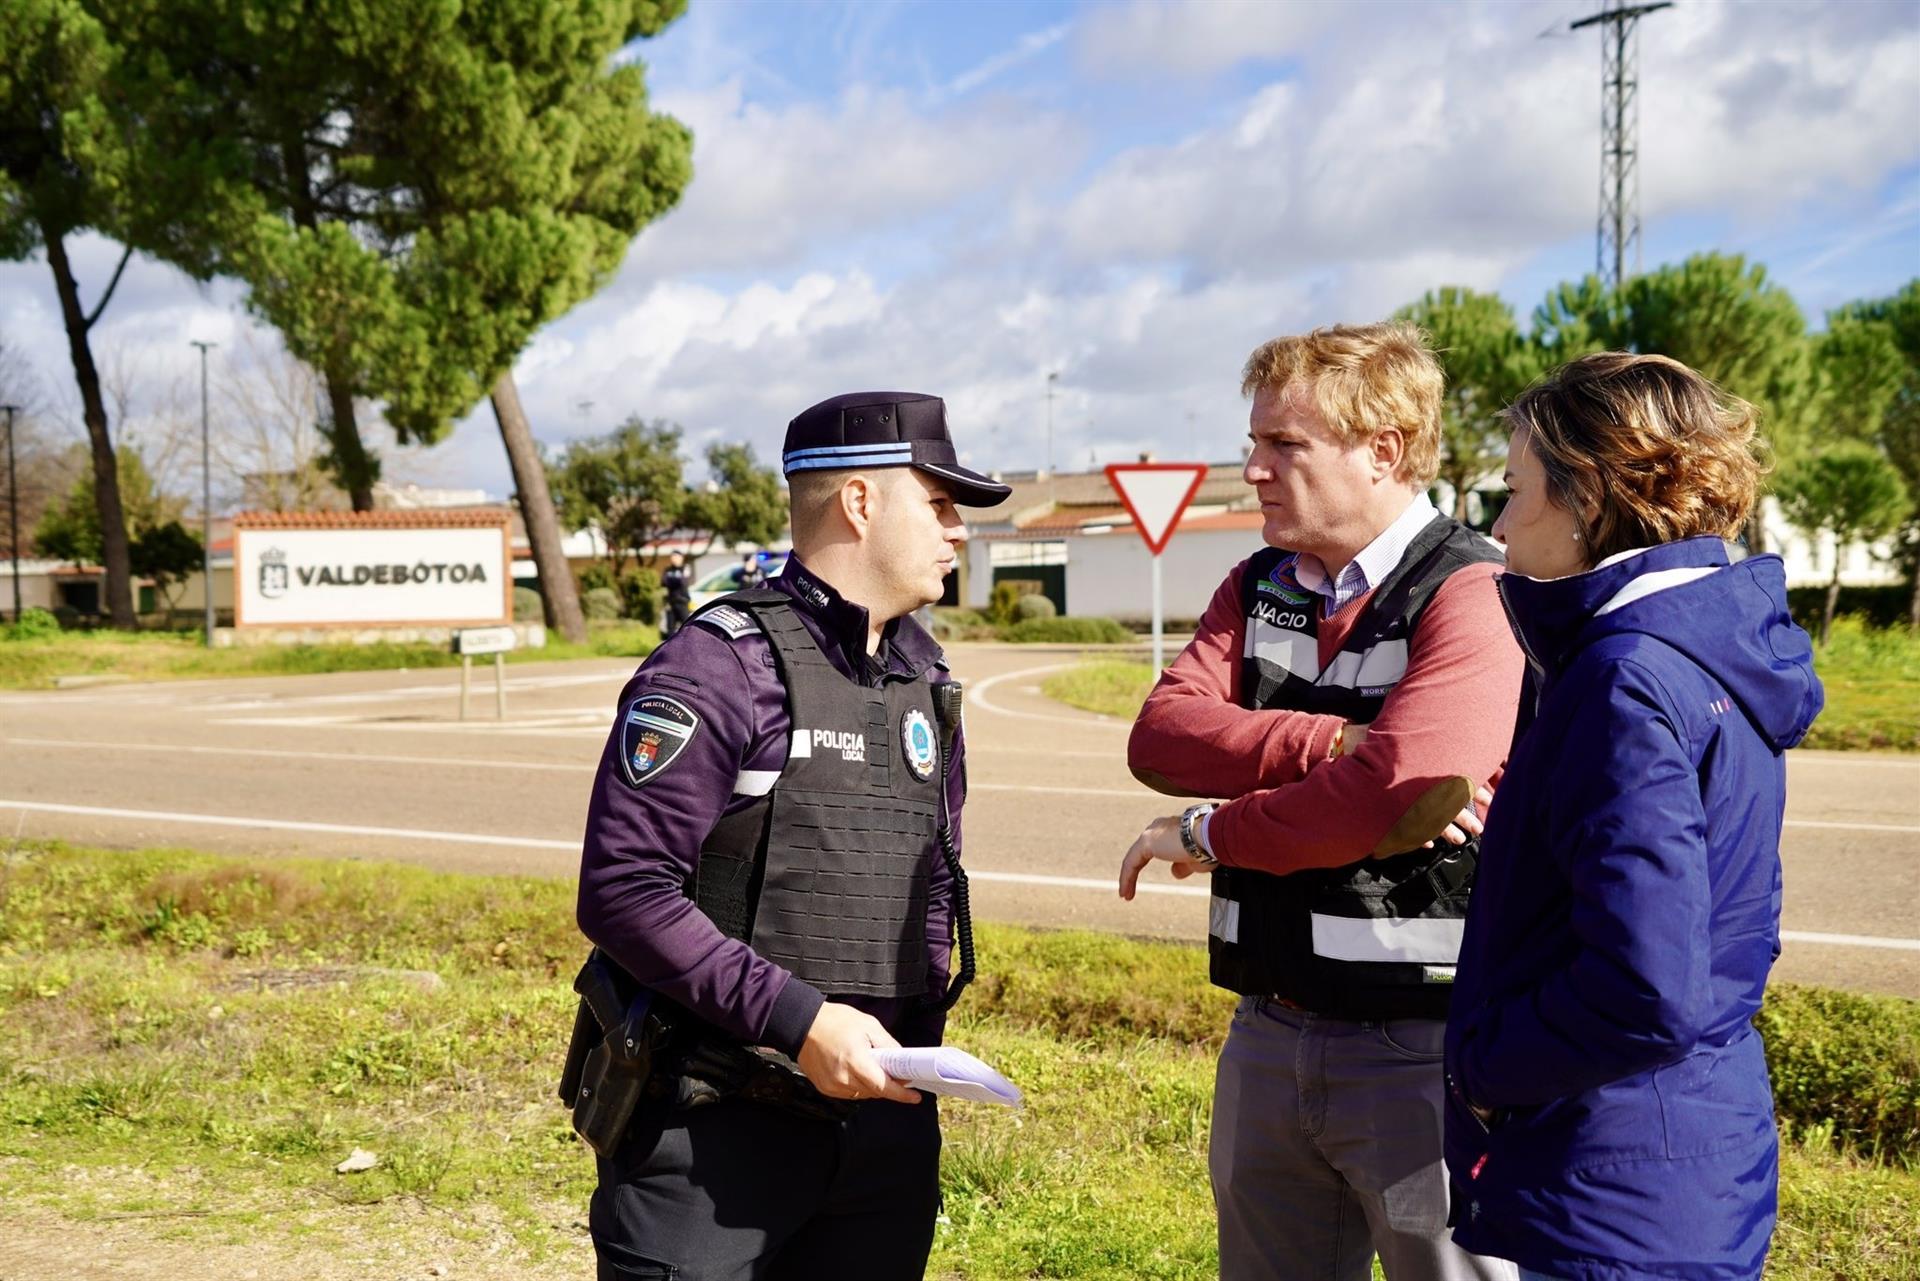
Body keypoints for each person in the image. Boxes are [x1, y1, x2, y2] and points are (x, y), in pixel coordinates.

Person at [568, 391, 1011, 1281]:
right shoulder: (719, 665)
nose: (958, 529)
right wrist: (801, 1020)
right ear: (860, 501)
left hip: (881, 1138)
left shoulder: (925, 678)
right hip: (713, 1136)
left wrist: (916, 1058)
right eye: (938, 502)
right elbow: (623, 890)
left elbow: (930, 887)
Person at [1121, 322, 1524, 1281]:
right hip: (1267, 1031)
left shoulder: (1474, 587)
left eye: (1284, 444)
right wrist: (1329, 741)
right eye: (1254, 441)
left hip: (1425, 1048)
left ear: (1383, 449)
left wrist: (1206, 832)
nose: (1253, 468)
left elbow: (1392, 796)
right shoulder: (1257, 582)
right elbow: (1161, 735)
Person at [1442, 353, 1822, 1281]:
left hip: (1614, 1175)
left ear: (1588, 496)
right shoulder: (1704, 647)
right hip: (1685, 1151)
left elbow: (1645, 986)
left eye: (1513, 491)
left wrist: (1484, 1071)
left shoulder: (1624, 677)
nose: (1497, 525)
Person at [661, 551, 692, 637]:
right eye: (672, 557)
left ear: (681, 558)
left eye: (676, 557)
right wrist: (675, 579)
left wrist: (671, 580)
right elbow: (663, 582)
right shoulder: (668, 570)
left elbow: (683, 582)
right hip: (671, 602)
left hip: (682, 601)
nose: (673, 559)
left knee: (686, 626)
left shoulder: (685, 568)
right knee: (670, 629)